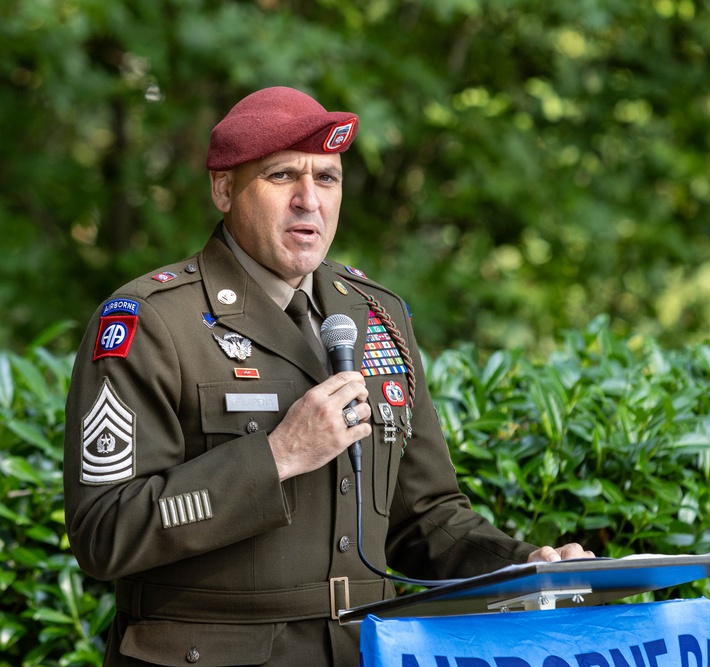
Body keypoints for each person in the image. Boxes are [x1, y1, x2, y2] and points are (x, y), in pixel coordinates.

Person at [63, 86, 593, 666]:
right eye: (282, 176)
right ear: (223, 188)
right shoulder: (155, 321)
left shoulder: (377, 315)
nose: (308, 201)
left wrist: (527, 568)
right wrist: (278, 456)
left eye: (327, 179)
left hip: (363, 653)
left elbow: (425, 517)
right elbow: (105, 531)